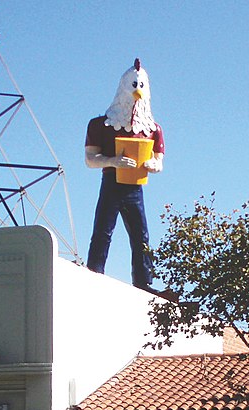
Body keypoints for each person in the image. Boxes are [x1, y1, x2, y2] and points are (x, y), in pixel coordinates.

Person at [85, 58, 165, 295]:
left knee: (141, 235)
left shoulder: (152, 129)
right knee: (103, 230)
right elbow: (90, 158)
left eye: (140, 85)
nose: (137, 91)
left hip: (134, 186)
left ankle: (143, 281)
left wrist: (152, 164)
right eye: (133, 85)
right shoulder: (100, 124)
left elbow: (159, 160)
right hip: (112, 181)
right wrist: (112, 161)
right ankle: (94, 272)